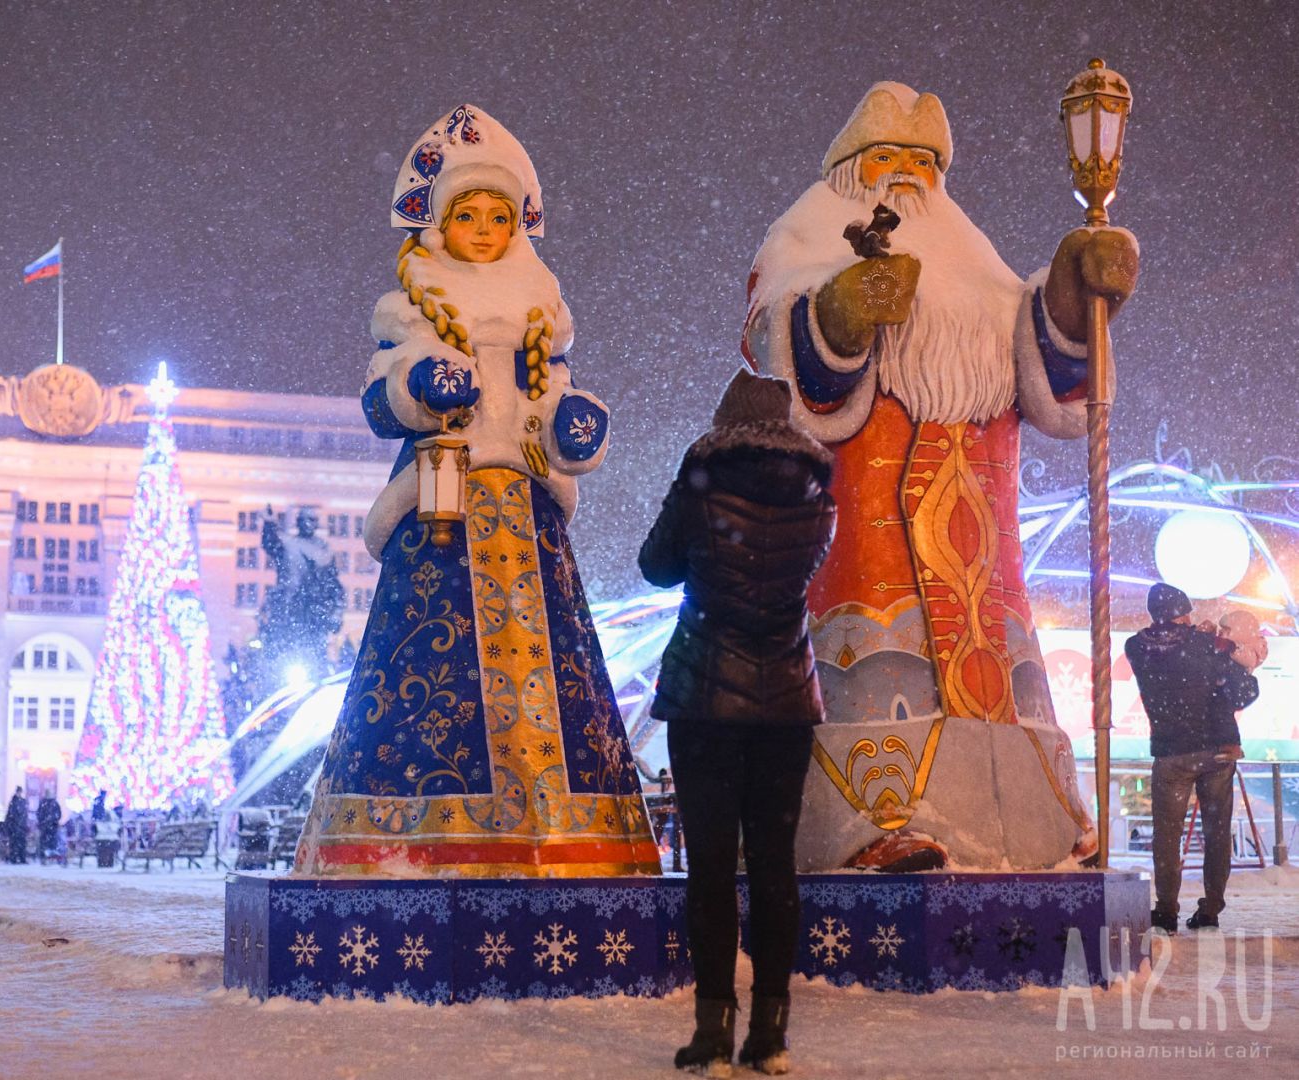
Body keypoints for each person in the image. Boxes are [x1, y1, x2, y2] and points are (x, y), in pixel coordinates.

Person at [741, 80, 1139, 871]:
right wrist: (841, 314)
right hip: (861, 526)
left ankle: (1040, 828)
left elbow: (1047, 367)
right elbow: (773, 354)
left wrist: (1071, 291)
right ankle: (864, 825)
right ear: (854, 165)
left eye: (924, 160)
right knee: (871, 666)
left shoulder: (968, 253)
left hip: (985, 540)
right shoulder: (806, 238)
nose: (907, 173)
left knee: (1004, 674)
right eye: (888, 156)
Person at [295, 104, 658, 876]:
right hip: (442, 515)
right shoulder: (411, 311)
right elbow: (377, 403)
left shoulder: (540, 319)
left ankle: (567, 837)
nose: (487, 229)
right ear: (441, 226)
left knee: (555, 681)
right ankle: (415, 838)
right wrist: (421, 388)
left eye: (500, 215)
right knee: (431, 674)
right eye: (470, 215)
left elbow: (552, 408)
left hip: (528, 517)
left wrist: (574, 427)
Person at [640, 372, 837, 1076]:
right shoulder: (820, 496)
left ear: (726, 420)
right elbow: (793, 579)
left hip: (704, 701)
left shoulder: (702, 482)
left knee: (713, 872)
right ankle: (772, 1034)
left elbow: (654, 567)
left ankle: (714, 1030)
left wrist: (691, 510)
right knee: (775, 865)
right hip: (787, 699)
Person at [1126, 583, 1260, 933]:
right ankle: (1210, 909)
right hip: (1217, 749)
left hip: (1171, 753)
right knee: (1216, 832)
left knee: (1167, 834)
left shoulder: (1136, 646)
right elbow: (1242, 692)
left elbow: (1168, 654)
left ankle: (1166, 911)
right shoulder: (1207, 644)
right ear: (1184, 612)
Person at [36, 789, 62, 860]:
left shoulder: (46, 803)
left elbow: (39, 814)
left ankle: (47, 854)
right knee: (49, 840)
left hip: (49, 826)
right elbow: (58, 814)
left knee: (49, 841)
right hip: (49, 826)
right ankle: (47, 855)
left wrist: (46, 820)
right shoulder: (52, 803)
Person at [5, 787, 29, 864]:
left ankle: (20, 858)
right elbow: (11, 815)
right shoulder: (15, 802)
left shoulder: (19, 802)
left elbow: (23, 814)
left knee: (20, 843)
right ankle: (15, 858)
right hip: (16, 825)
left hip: (20, 825)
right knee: (15, 843)